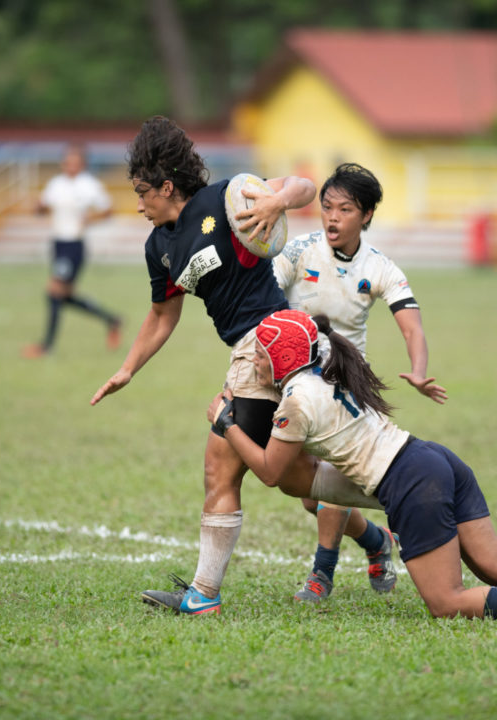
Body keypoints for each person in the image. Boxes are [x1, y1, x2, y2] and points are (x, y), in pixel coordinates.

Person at [206, 309, 497, 623]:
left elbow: (269, 472)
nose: (255, 365)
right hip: (434, 457)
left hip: (410, 481)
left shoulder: (294, 401)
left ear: (283, 358)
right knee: (496, 565)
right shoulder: (325, 365)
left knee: (446, 602)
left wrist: (226, 423)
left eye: (260, 357)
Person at [90, 116, 376, 616]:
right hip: (260, 351)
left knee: (221, 468)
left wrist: (277, 199)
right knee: (295, 479)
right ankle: (388, 515)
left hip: (268, 342)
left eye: (142, 192)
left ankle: (203, 596)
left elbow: (306, 186)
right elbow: (162, 314)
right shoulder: (158, 247)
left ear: (166, 186)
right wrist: (128, 368)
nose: (137, 204)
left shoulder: (226, 199)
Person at [272, 162, 447, 602]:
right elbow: (265, 295)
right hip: (294, 379)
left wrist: (419, 369)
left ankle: (321, 574)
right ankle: (375, 541)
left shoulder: (380, 266)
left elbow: (412, 326)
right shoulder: (299, 250)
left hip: (345, 381)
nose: (332, 217)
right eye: (327, 207)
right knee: (310, 495)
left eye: (344, 209)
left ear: (366, 215)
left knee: (335, 471)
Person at [23, 143, 123, 358]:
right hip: (58, 244)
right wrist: (37, 207)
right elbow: (43, 208)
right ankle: (111, 320)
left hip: (74, 245)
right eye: (67, 161)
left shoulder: (89, 185)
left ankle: (47, 346)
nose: (70, 165)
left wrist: (90, 219)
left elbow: (108, 210)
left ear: (82, 164)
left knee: (54, 291)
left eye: (75, 161)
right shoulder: (56, 184)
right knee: (62, 296)